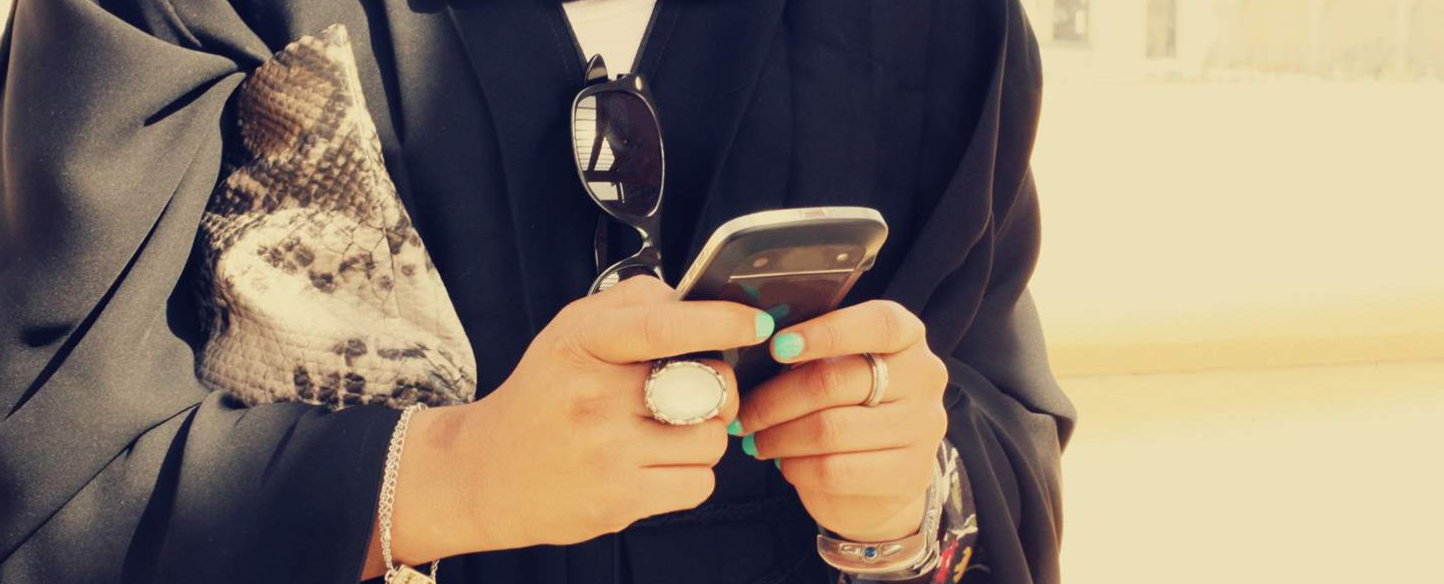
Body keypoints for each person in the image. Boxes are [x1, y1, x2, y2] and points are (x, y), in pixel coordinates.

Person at [0, 0, 1076, 583]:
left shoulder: (934, 25)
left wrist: (899, 509)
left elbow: (1002, 418)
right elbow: (51, 491)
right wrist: (442, 478)